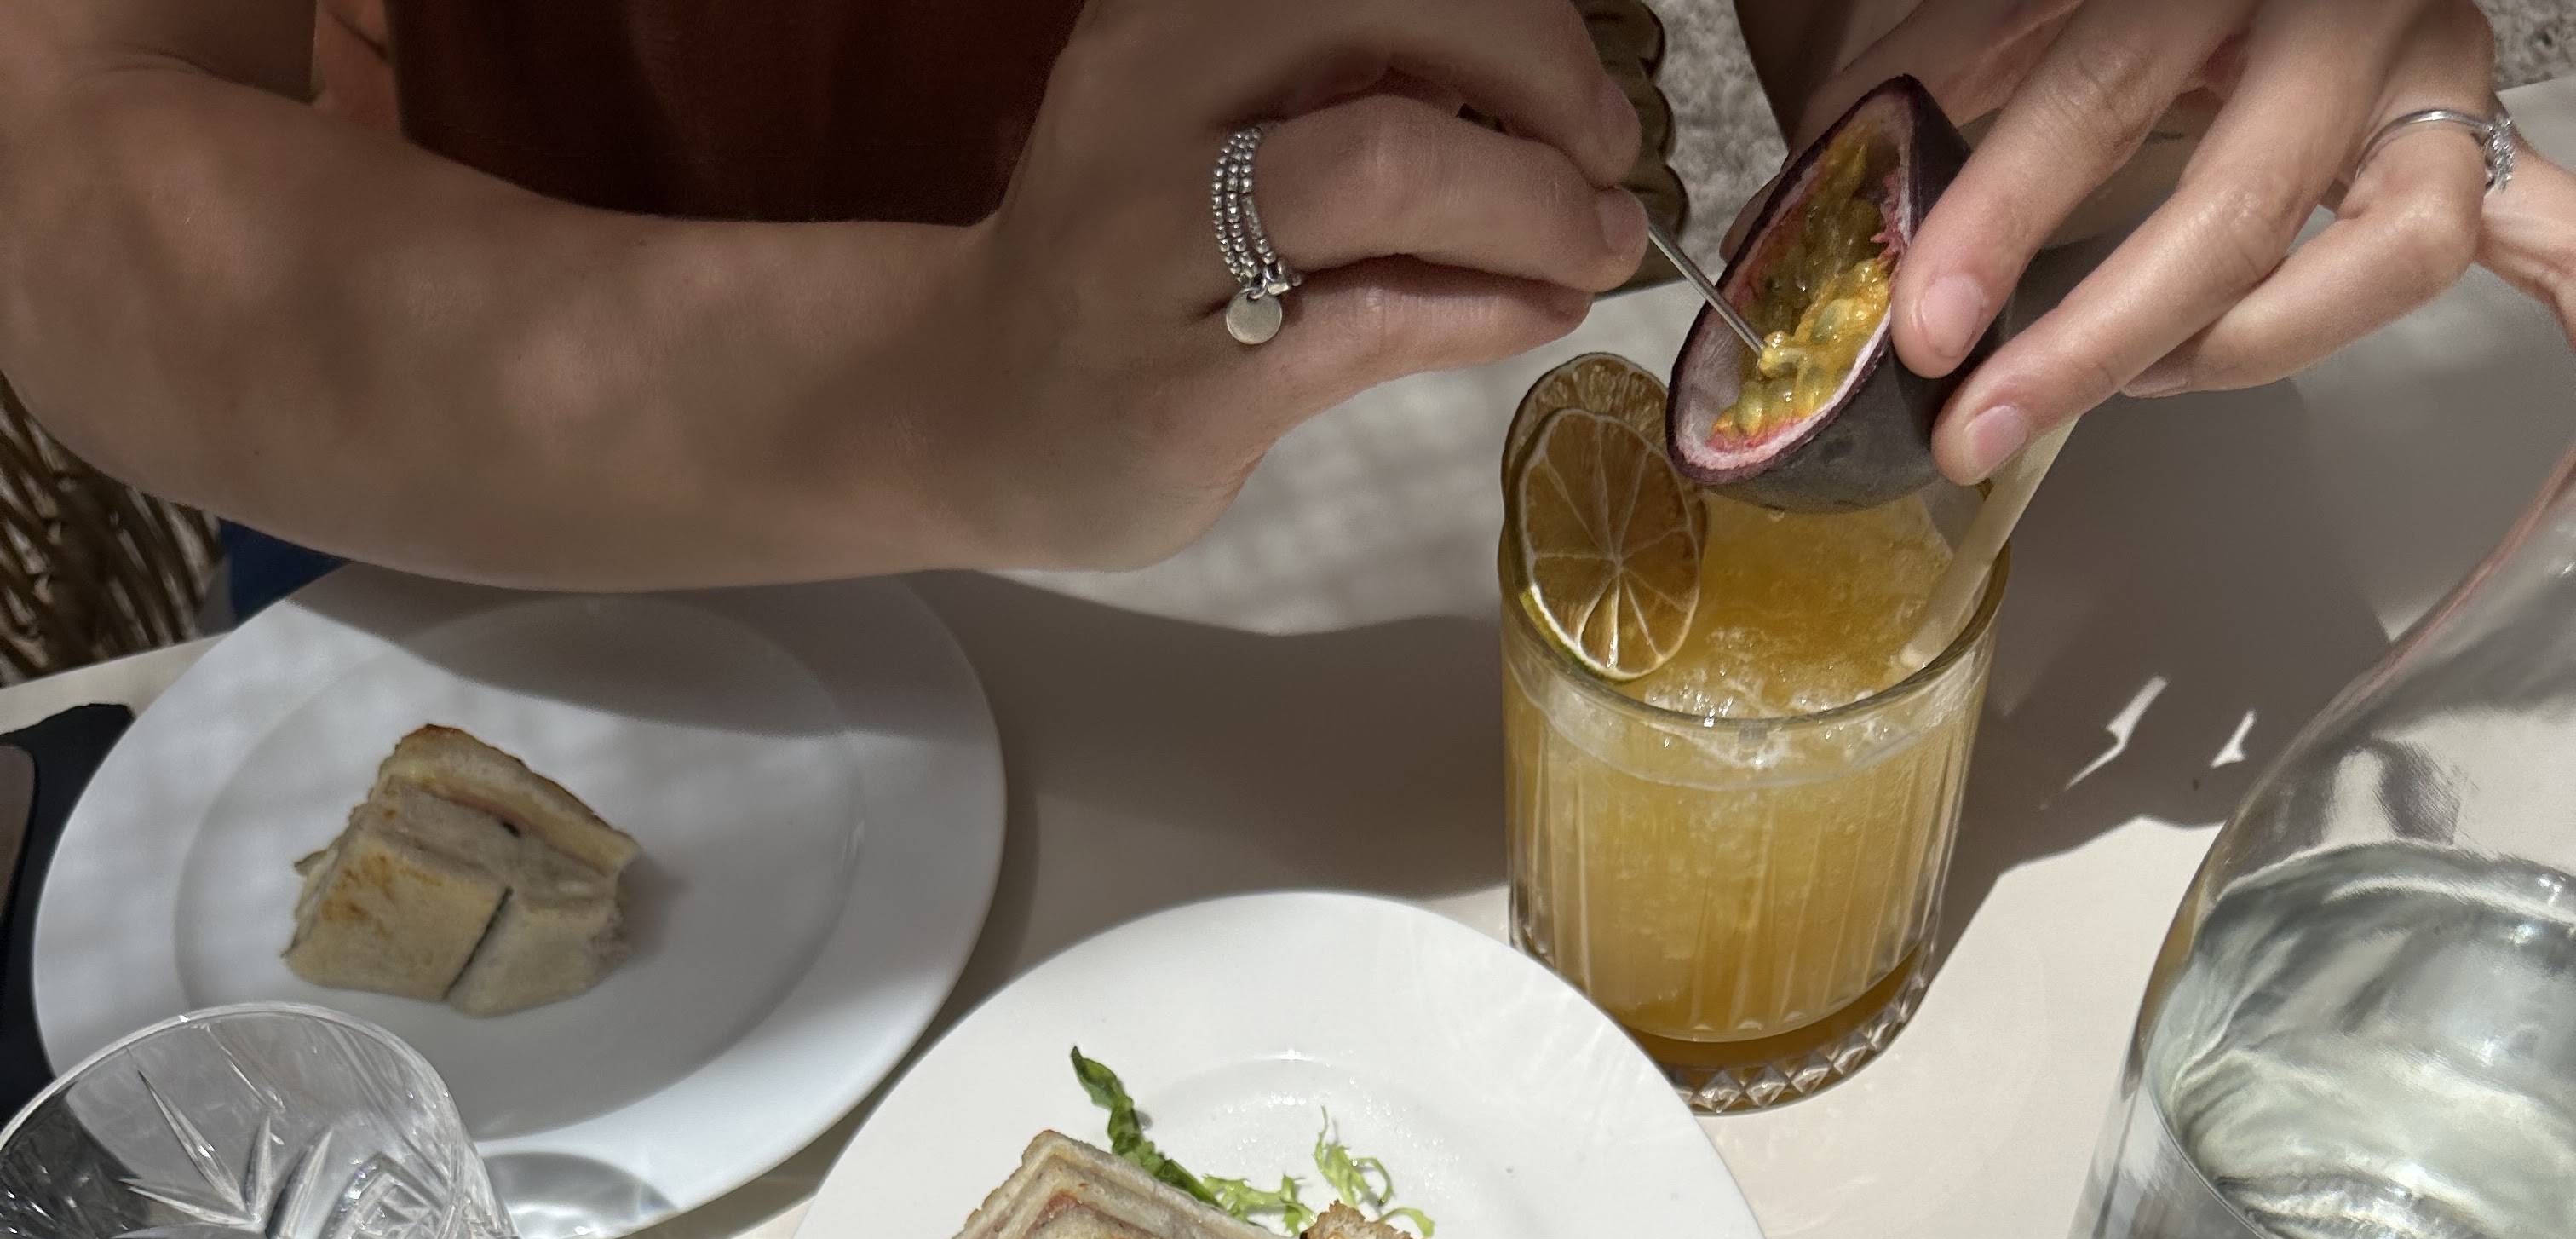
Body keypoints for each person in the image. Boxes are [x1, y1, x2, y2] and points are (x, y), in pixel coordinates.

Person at [0, 0, 2539, 594]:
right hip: (574, 523)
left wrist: (2014, 66)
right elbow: (72, 144)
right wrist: (937, 394)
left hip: (1429, 518)